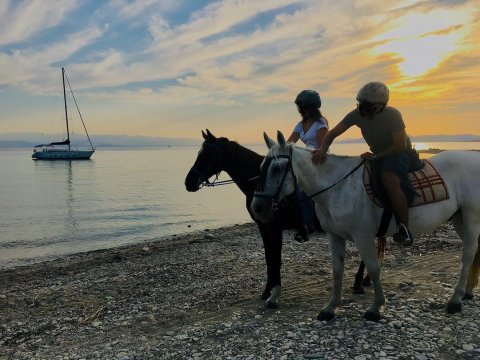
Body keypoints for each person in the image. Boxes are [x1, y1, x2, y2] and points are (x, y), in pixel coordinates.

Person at [312, 82, 421, 245]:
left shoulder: (393, 114)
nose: (361, 109)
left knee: (389, 178)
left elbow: (400, 146)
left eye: (366, 106)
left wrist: (376, 156)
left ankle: (404, 228)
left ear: (379, 106)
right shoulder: (356, 114)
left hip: (400, 152)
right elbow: (333, 133)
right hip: (379, 153)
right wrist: (322, 149)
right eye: (360, 104)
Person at [287, 90, 328, 242]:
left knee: (303, 191)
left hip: (319, 158)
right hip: (304, 158)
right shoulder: (300, 124)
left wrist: (302, 154)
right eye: (300, 107)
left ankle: (308, 225)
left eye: (303, 107)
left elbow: (321, 145)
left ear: (312, 107)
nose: (301, 110)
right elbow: (290, 141)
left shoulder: (320, 123)